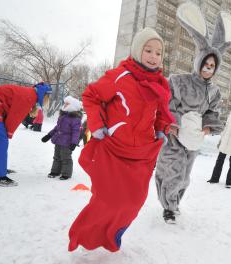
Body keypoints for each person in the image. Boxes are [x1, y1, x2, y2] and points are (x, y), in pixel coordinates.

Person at [68, 27, 176, 252]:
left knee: (134, 201)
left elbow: (160, 113)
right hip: (114, 150)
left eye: (158, 53)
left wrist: (161, 130)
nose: (154, 56)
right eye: (148, 50)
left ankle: (114, 232)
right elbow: (91, 96)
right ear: (138, 50)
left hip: (142, 154)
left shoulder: (160, 84)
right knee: (107, 199)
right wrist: (97, 125)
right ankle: (88, 233)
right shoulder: (119, 76)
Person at [155, 2, 231, 224]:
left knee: (184, 176)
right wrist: (173, 123)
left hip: (193, 139)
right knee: (171, 171)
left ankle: (175, 201)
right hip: (175, 136)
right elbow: (168, 103)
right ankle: (168, 207)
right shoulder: (179, 81)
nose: (208, 69)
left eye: (212, 66)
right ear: (199, 61)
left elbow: (213, 112)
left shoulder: (214, 91)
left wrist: (208, 126)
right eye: (205, 64)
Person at [0, 82, 52, 186]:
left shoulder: (30, 93)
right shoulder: (29, 97)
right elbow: (14, 118)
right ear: (45, 95)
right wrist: (7, 134)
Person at [41, 96, 82, 180]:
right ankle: (55, 171)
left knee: (66, 157)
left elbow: (76, 132)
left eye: (67, 104)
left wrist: (74, 142)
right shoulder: (63, 116)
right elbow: (57, 128)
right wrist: (49, 135)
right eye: (65, 103)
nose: (65, 105)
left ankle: (66, 173)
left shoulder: (75, 119)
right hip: (58, 140)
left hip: (67, 142)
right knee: (56, 156)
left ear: (73, 106)